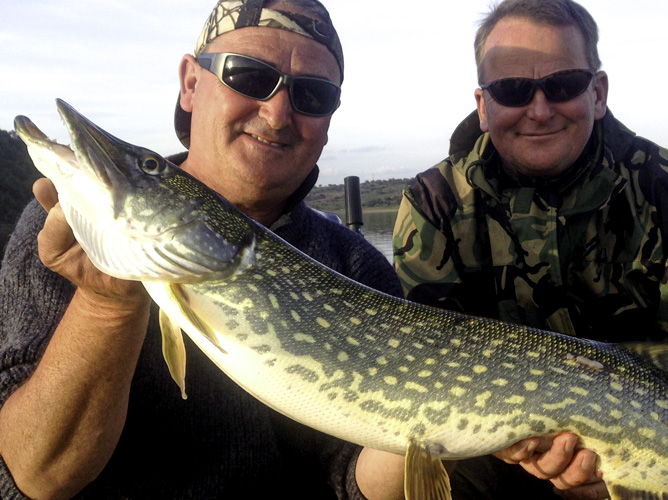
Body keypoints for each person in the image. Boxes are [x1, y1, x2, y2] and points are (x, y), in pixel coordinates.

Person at [392, 0, 668, 498]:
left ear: (597, 93)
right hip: (502, 448)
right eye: (513, 90)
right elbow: (428, 365)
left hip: (664, 433)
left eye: (563, 85)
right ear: (483, 105)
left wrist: (630, 456)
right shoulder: (435, 202)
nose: (539, 110)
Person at [0, 1, 406, 499]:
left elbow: (350, 478)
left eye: (313, 95)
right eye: (249, 76)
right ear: (191, 83)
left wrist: (448, 435)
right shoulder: (60, 233)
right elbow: (33, 476)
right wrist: (106, 306)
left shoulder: (356, 266)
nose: (278, 113)